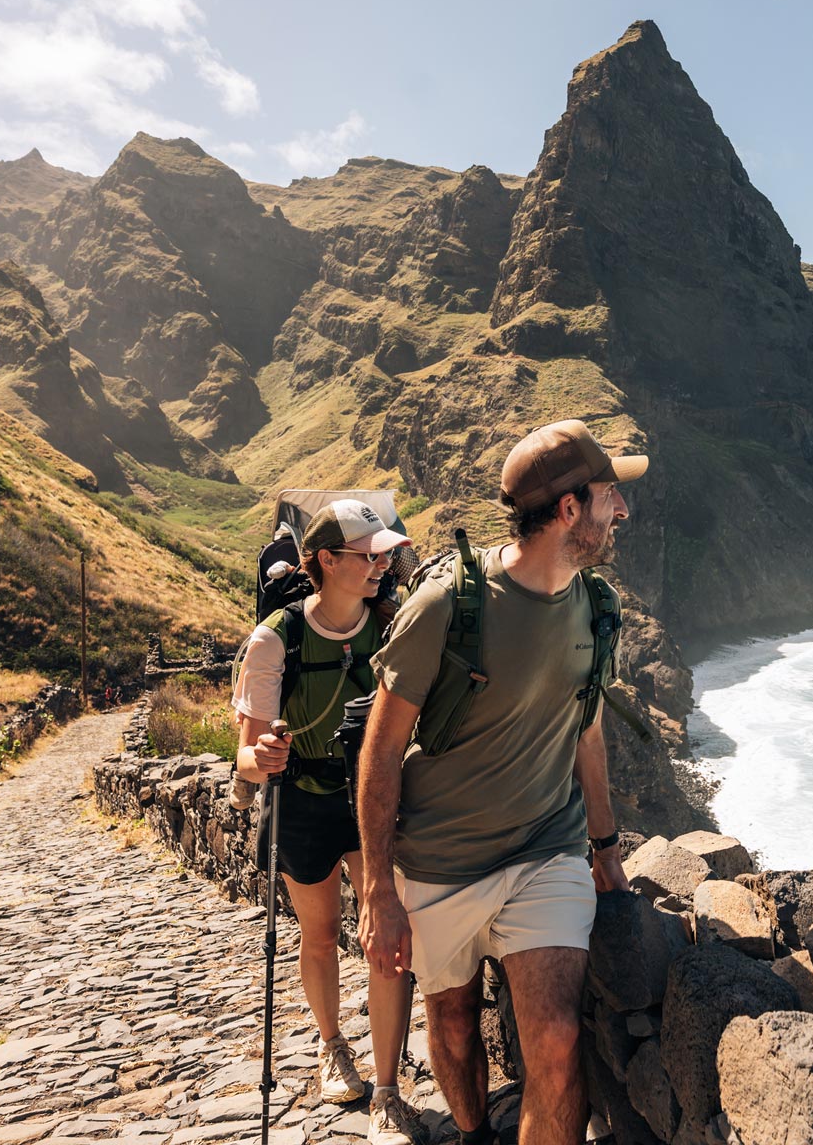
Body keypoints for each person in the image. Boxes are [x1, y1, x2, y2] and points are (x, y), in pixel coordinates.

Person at [355, 420, 644, 1145]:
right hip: (437, 864)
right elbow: (382, 749)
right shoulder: (447, 606)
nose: (624, 512)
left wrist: (604, 847)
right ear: (570, 510)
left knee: (554, 1040)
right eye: (612, 495)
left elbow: (586, 730)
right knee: (451, 1024)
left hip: (545, 851)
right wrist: (377, 891)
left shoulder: (595, 607)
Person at [231, 499, 418, 1144]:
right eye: (369, 555)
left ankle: (388, 1087)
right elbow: (246, 757)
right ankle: (333, 1047)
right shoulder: (273, 639)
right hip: (305, 802)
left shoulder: (392, 626)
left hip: (370, 804)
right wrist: (263, 755)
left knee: (387, 943)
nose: (382, 564)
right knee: (318, 935)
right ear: (327, 561)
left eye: (385, 554)